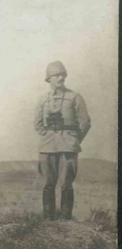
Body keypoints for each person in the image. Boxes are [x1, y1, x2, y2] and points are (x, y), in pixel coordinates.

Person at [34, 61, 91, 220]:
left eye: (63, 75)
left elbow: (85, 122)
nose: (61, 78)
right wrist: (47, 135)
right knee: (48, 183)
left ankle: (65, 220)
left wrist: (74, 139)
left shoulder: (74, 97)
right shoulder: (42, 99)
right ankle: (48, 219)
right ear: (49, 78)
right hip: (47, 147)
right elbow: (37, 123)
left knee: (66, 183)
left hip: (68, 146)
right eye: (56, 75)